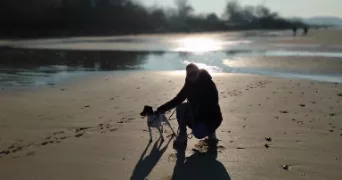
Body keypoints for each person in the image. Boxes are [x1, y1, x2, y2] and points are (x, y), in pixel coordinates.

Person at [155, 63, 223, 147]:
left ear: (198, 72)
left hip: (211, 118)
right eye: (190, 74)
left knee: (198, 132)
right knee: (180, 107)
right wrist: (160, 109)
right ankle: (182, 134)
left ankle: (211, 132)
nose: (192, 76)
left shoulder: (209, 84)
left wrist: (196, 108)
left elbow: (213, 105)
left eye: (194, 73)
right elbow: (177, 100)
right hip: (196, 115)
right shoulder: (188, 85)